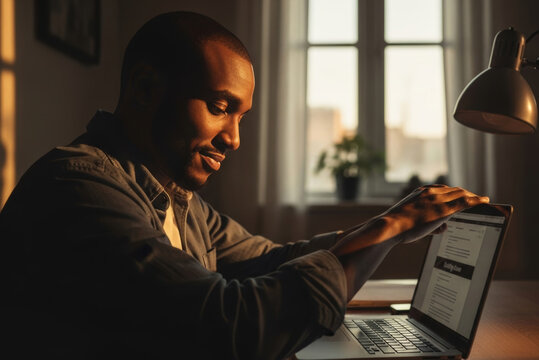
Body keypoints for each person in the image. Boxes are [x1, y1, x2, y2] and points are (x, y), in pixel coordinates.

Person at [0, 11, 488, 360]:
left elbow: (274, 261)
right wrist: (391, 226)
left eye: (241, 115)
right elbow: (232, 329)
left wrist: (393, 227)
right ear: (146, 89)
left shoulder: (179, 198)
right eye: (219, 107)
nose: (234, 139)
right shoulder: (77, 187)